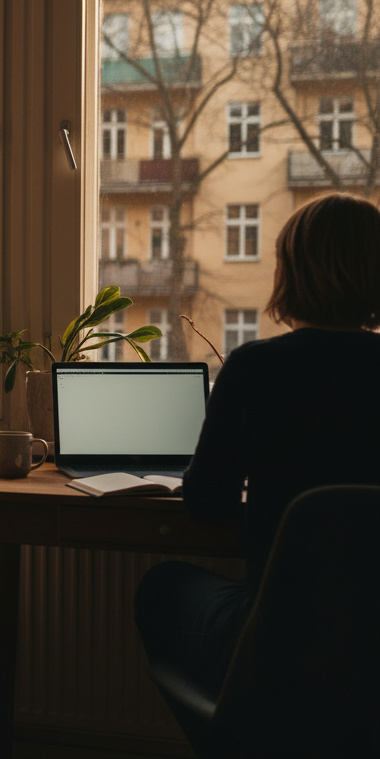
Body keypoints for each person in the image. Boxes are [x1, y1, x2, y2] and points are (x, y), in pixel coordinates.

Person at [133, 193, 380, 754]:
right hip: (372, 646)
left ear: (290, 271)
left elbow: (207, 504)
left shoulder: (257, 368)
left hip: (281, 635)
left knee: (159, 588)